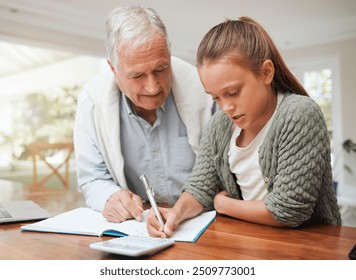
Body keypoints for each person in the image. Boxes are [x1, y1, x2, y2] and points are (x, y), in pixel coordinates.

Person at [147, 16, 342, 238]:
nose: (226, 107)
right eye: (216, 97)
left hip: (309, 247)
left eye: (233, 92)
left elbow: (288, 210)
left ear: (267, 72)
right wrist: (176, 213)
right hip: (250, 244)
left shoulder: (298, 114)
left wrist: (223, 205)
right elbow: (200, 188)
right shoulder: (220, 125)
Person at [73, 5, 214, 223]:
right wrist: (110, 197)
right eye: (137, 75)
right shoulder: (92, 101)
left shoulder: (205, 89)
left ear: (169, 52)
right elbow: (92, 179)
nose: (153, 87)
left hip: (205, 223)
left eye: (161, 69)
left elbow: (223, 174)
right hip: (139, 227)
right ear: (113, 70)